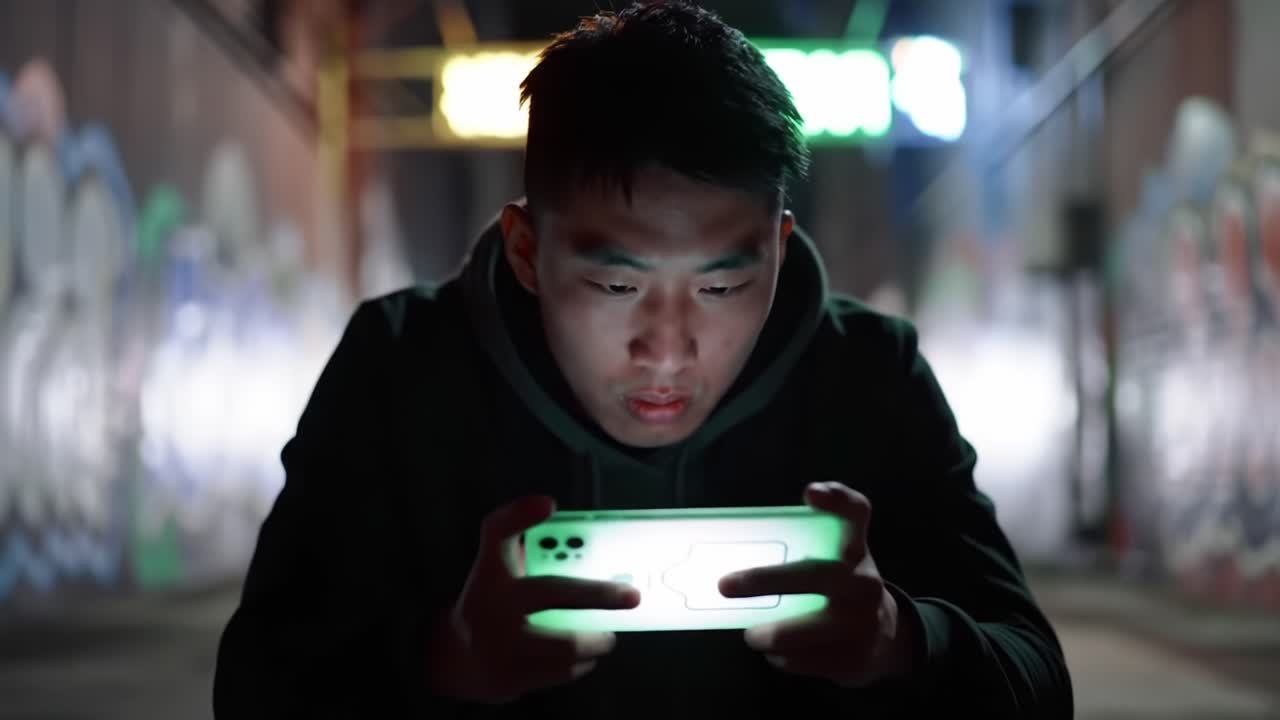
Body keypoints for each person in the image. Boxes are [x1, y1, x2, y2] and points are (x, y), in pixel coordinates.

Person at [212, 2, 1073, 717]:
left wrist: (903, 642)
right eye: (617, 287)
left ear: (779, 249)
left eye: (721, 288)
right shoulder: (400, 372)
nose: (668, 348)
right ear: (525, 249)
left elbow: (1039, 679)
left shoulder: (871, 377)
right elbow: (253, 689)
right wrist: (444, 662)